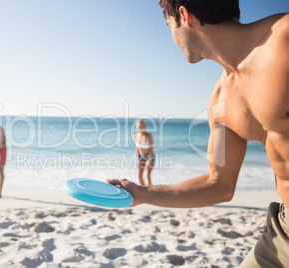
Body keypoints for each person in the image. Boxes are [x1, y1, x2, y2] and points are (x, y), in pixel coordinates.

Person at [107, 0, 289, 266]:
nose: (171, 36)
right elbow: (219, 185)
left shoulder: (283, 39)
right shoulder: (220, 100)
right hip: (283, 229)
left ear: (184, 16)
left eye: (168, 25)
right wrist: (142, 193)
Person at [135, 120, 155, 186]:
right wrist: (138, 159)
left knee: (147, 175)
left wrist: (149, 160)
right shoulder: (136, 135)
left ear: (145, 127)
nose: (141, 128)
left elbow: (151, 149)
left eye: (142, 127)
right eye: (139, 127)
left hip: (149, 156)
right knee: (139, 176)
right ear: (136, 127)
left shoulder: (149, 136)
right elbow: (137, 149)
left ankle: (150, 193)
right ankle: (143, 191)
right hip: (141, 156)